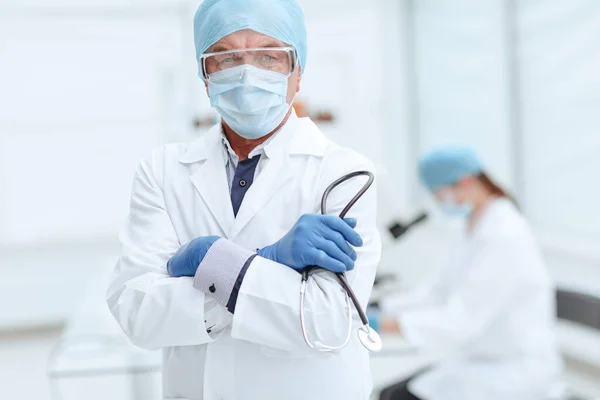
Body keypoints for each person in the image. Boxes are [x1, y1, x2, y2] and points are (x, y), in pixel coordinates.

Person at [106, 1, 381, 399]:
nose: (248, 74)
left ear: (297, 72)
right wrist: (265, 263)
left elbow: (325, 323)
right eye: (227, 57)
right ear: (205, 74)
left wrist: (215, 264)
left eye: (270, 56)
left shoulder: (344, 174)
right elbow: (138, 313)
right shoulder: (163, 172)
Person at [376, 146, 563, 400]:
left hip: (513, 370)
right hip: (477, 360)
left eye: (440, 195)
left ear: (464, 182)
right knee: (391, 393)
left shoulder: (504, 234)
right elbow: (437, 291)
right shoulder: (469, 226)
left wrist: (381, 325)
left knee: (396, 397)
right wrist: (383, 307)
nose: (440, 203)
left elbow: (461, 320)